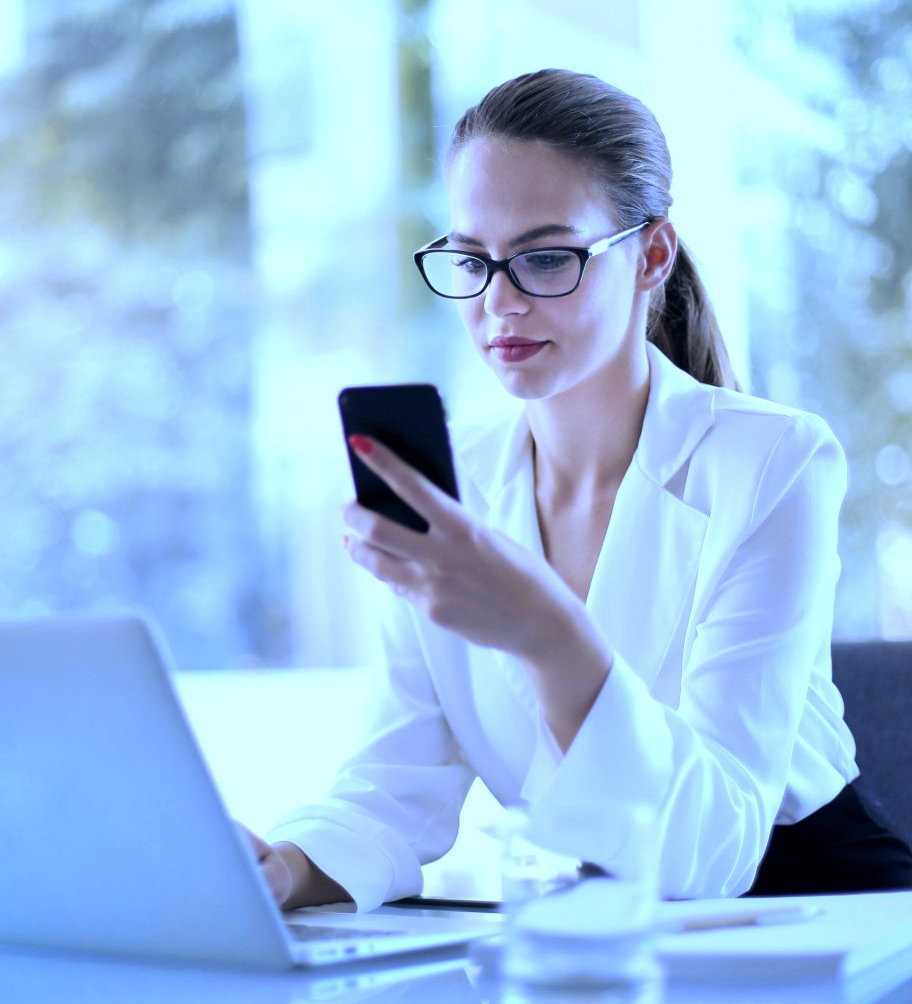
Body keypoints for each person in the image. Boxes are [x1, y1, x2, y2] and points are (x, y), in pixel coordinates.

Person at [247, 69, 912, 911]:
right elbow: (394, 785)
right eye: (471, 259)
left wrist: (543, 631)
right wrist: (283, 870)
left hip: (808, 909)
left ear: (652, 256)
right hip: (591, 921)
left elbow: (713, 851)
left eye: (546, 257)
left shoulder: (772, 460)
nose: (499, 302)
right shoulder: (451, 487)